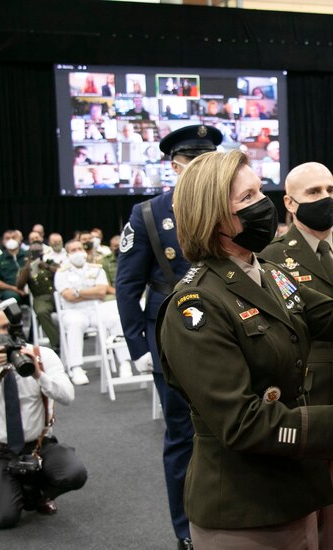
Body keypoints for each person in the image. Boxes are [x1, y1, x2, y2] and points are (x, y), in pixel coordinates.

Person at [156, 149, 333, 549]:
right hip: (244, 508)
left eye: (260, 191)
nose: (262, 204)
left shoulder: (270, 275)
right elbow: (240, 422)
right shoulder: (194, 305)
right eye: (247, 198)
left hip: (292, 491)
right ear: (212, 215)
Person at [116, 124, 222, 550]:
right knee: (182, 435)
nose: (198, 170)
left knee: (229, 427)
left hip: (225, 331)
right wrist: (138, 346)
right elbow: (127, 285)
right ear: (174, 166)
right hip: (168, 336)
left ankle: (224, 515)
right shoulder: (147, 214)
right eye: (190, 163)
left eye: (205, 162)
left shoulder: (227, 206)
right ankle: (185, 529)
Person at [258, 161, 333, 550]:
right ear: (290, 202)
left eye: (331, 190)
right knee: (307, 505)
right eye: (314, 192)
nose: (326, 199)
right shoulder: (272, 257)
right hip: (308, 390)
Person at [0, 301, 87, 528]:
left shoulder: (42, 355)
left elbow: (68, 396)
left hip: (39, 445)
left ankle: (35, 494)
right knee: (4, 518)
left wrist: (39, 374)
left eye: (5, 327)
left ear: (16, 326)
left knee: (74, 473)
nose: (1, 334)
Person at [54, 240, 136, 385]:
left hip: (97, 309)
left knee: (116, 319)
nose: (78, 252)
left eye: (79, 248)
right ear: (67, 254)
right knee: (75, 323)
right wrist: (91, 293)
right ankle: (76, 367)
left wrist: (78, 292)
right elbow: (67, 296)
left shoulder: (96, 269)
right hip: (73, 311)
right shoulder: (61, 273)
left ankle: (124, 362)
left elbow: (102, 291)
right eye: (73, 250)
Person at [16, 241, 60, 352]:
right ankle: (57, 343)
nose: (37, 254)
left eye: (39, 251)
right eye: (34, 252)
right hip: (41, 297)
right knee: (41, 312)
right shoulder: (26, 268)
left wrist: (47, 267)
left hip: (57, 295)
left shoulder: (50, 263)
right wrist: (28, 267)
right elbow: (19, 285)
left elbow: (61, 272)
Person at [0, 233, 28, 303]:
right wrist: (13, 288)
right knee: (11, 299)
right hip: (9, 291)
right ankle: (16, 314)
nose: (11, 240)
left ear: (19, 239)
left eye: (14, 238)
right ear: (3, 241)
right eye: (7, 238)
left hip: (28, 289)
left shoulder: (28, 255)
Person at [100, 235, 120, 300]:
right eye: (116, 246)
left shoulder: (133, 257)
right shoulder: (105, 261)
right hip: (115, 292)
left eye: (120, 245)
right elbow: (106, 284)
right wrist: (119, 293)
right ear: (111, 248)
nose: (119, 248)